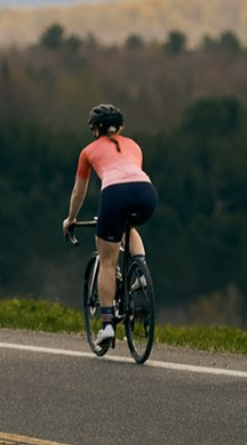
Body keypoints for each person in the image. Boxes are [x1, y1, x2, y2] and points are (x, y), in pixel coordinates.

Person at [62, 104, 158, 349]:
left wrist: (71, 218)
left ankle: (106, 326)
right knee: (130, 227)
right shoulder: (134, 145)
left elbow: (79, 191)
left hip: (115, 193)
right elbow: (131, 173)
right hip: (147, 193)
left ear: (95, 130)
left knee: (107, 261)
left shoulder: (88, 151)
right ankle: (141, 272)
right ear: (120, 127)